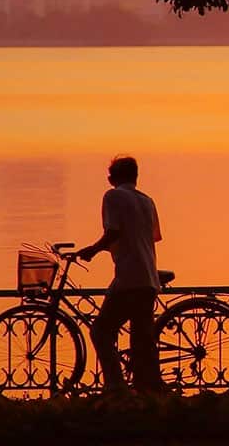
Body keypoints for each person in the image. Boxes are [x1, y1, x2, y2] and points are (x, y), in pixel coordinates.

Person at [76, 155, 163, 394]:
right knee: (142, 340)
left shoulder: (113, 196)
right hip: (148, 277)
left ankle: (116, 386)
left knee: (101, 332)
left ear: (115, 177)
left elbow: (113, 232)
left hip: (128, 278)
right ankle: (149, 389)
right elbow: (150, 237)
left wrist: (92, 250)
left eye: (110, 174)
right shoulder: (147, 200)